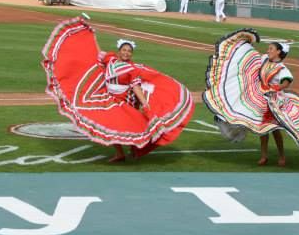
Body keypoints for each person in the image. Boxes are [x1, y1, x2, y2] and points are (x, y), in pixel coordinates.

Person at [41, 18, 195, 163]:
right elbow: (96, 53)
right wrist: (90, 33)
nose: (126, 53)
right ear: (119, 50)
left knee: (127, 126)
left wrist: (145, 103)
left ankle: (134, 150)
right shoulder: (111, 59)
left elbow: (136, 87)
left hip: (123, 101)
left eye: (129, 51)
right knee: (111, 125)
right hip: (108, 98)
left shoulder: (132, 69)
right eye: (124, 50)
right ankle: (120, 153)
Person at [205, 34, 299, 166]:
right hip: (261, 97)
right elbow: (253, 59)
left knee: (275, 130)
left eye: (271, 49)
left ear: (278, 52)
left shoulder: (282, 68)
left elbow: (286, 82)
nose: (268, 51)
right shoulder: (264, 60)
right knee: (263, 129)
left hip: (274, 101)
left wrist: (276, 88)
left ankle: (283, 155)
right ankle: (264, 156)